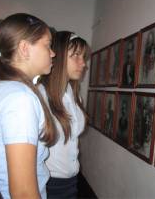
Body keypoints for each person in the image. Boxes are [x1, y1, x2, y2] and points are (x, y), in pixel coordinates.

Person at [0, 13, 57, 198]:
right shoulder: (19, 99)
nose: (53, 53)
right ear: (24, 48)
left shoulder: (2, 89)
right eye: (47, 45)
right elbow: (23, 193)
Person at [37, 31, 90, 199]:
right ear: (58, 57)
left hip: (72, 180)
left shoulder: (74, 94)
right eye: (76, 56)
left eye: (83, 57)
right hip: (49, 182)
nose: (83, 63)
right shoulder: (40, 95)